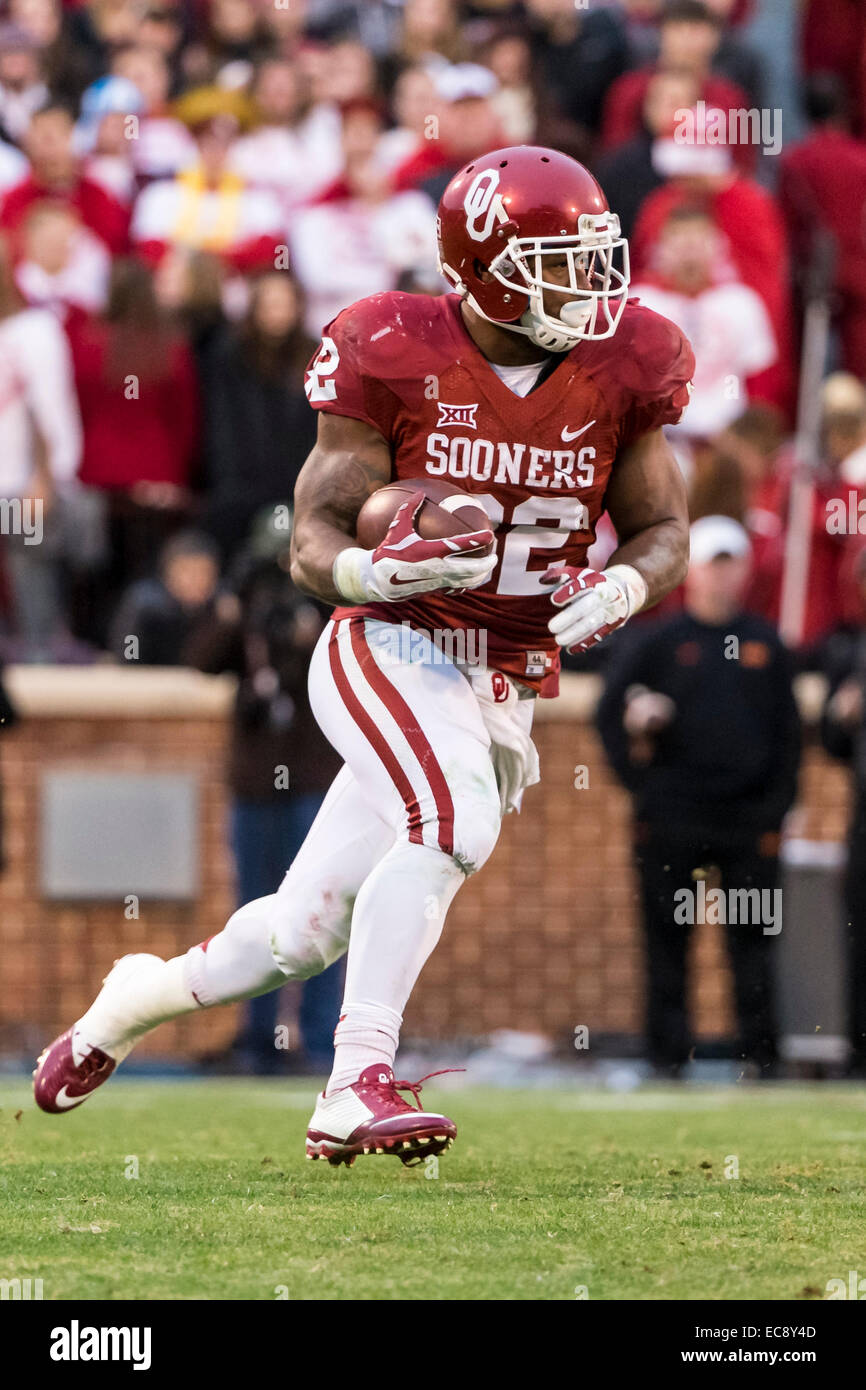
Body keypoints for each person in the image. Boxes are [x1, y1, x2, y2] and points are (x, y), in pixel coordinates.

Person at [34, 146, 694, 1167]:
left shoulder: (625, 360)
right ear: (479, 267)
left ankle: (130, 1002)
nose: (585, 288)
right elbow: (311, 530)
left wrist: (623, 584)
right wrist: (367, 575)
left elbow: (660, 527)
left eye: (590, 259)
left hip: (502, 676)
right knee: (450, 817)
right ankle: (354, 1080)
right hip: (388, 639)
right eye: (554, 263)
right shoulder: (391, 345)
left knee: (303, 931)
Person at [597, 516, 801, 1076]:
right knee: (667, 945)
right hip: (672, 822)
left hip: (747, 824)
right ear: (692, 572)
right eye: (712, 564)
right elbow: (609, 716)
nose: (721, 577)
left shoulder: (765, 643)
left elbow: (789, 737)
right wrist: (643, 788)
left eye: (730, 564)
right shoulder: (658, 643)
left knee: (753, 946)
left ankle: (762, 1059)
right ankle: (666, 1060)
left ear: (744, 572)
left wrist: (776, 810)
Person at [184, 550, 346, 1073]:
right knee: (252, 913)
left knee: (323, 912)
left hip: (314, 782)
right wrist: (232, 607)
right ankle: (256, 1040)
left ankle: (320, 1043)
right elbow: (200, 660)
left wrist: (310, 625)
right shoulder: (245, 619)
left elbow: (346, 668)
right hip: (255, 786)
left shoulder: (327, 612)